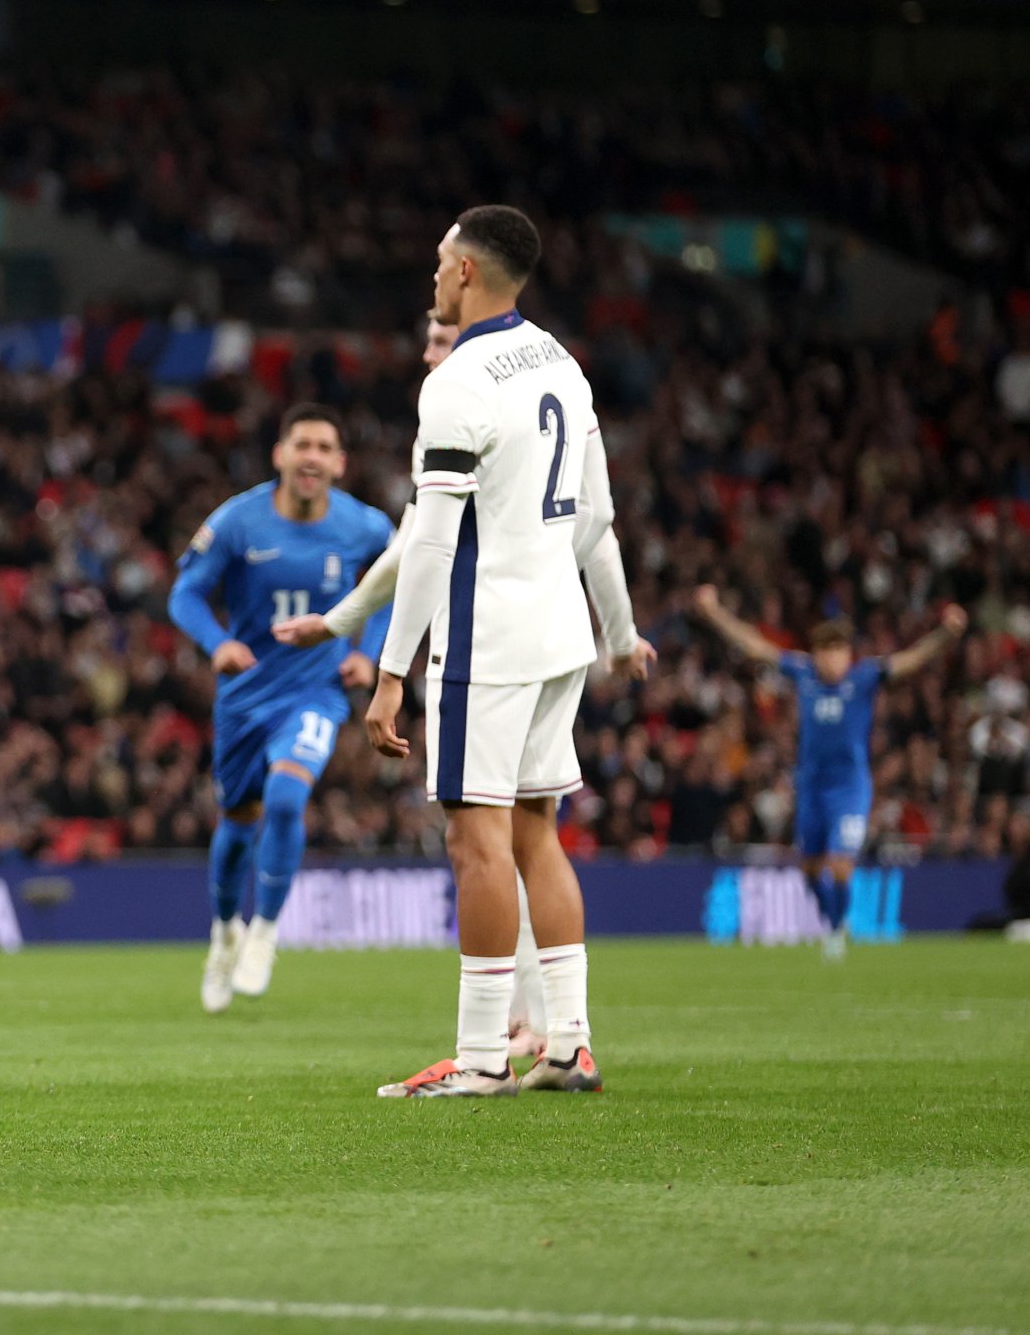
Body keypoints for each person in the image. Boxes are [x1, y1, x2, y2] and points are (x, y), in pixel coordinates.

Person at [359, 206, 651, 1098]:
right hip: (560, 630)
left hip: (487, 640)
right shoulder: (559, 359)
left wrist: (391, 673)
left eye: (440, 260)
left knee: (474, 839)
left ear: (466, 272)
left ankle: (483, 1056)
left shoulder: (458, 381)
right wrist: (616, 629)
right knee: (534, 831)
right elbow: (596, 517)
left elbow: (431, 541)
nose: (433, 274)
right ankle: (569, 1043)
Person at [168, 403, 393, 1012]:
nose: (311, 457)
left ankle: (265, 932)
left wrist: (368, 653)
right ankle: (225, 933)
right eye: (302, 445)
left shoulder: (364, 526)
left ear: (339, 463)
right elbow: (185, 594)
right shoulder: (237, 522)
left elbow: (399, 584)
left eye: (324, 447)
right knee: (237, 826)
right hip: (245, 698)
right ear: (280, 455)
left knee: (288, 797)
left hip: (315, 693)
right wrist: (218, 643)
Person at [693, 589, 967, 957]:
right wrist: (714, 613)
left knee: (839, 864)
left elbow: (912, 659)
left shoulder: (864, 677)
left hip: (850, 788)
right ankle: (832, 922)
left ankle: (837, 933)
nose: (832, 659)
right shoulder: (803, 672)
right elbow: (755, 646)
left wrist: (946, 634)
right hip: (811, 788)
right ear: (817, 653)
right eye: (825, 651)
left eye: (838, 651)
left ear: (848, 654)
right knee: (809, 870)